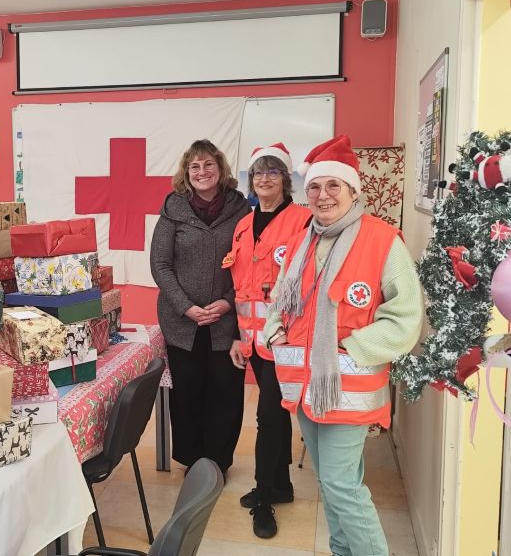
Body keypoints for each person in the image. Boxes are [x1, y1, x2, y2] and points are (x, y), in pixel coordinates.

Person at [264, 135, 424, 556]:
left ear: (354, 191)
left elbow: (406, 319)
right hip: (303, 385)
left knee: (342, 486)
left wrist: (351, 348)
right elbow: (279, 297)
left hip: (347, 389)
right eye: (315, 186)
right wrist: (274, 332)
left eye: (334, 185)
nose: (322, 195)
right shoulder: (303, 240)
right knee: (331, 483)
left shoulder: (383, 240)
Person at [222, 143, 311, 539]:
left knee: (269, 416)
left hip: (285, 338)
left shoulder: (304, 220)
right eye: (258, 172)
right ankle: (282, 486)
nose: (264, 178)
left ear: (286, 179)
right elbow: (240, 288)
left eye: (273, 172)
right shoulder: (244, 223)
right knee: (276, 413)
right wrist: (238, 339)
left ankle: (263, 497)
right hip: (253, 342)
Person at [150, 139, 250, 477]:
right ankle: (193, 462)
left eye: (208, 164)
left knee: (226, 392)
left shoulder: (242, 211)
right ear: (186, 172)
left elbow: (253, 266)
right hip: (183, 323)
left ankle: (218, 464)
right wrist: (186, 307)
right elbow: (160, 265)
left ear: (220, 169)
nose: (202, 171)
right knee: (188, 393)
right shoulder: (172, 211)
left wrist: (228, 302)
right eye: (195, 166)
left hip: (228, 322)